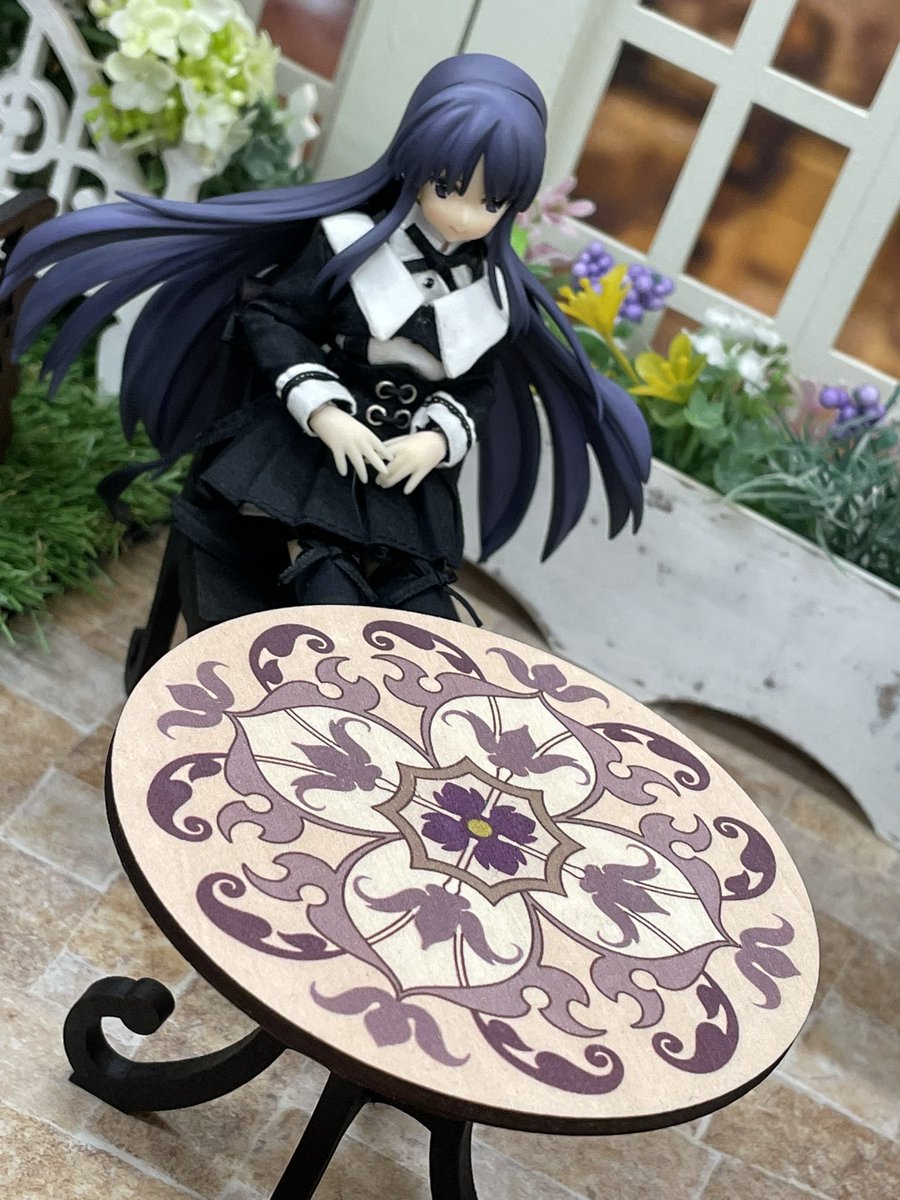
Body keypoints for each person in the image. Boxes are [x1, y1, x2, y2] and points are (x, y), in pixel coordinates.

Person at [2, 53, 651, 631]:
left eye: (490, 201)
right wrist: (325, 411)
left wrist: (436, 438)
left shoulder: (495, 297)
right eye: (448, 187)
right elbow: (273, 318)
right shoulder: (351, 246)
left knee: (426, 612)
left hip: (401, 475)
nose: (461, 214)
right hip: (313, 449)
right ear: (415, 165)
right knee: (327, 584)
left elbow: (477, 386)